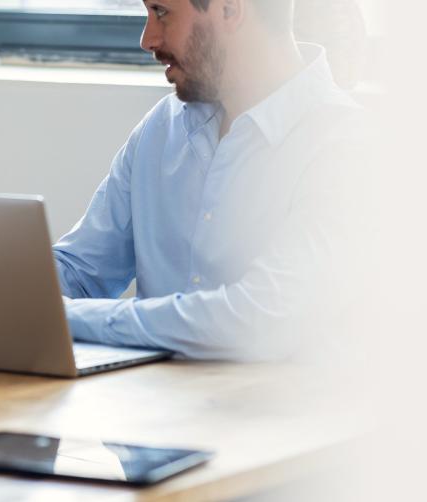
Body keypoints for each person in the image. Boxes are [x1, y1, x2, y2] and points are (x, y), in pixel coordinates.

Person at [53, 0, 363, 360]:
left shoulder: (348, 149)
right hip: (152, 404)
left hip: (284, 411)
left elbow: (259, 318)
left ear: (231, 10)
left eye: (161, 12)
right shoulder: (162, 127)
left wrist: (74, 317)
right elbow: (81, 269)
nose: (147, 39)